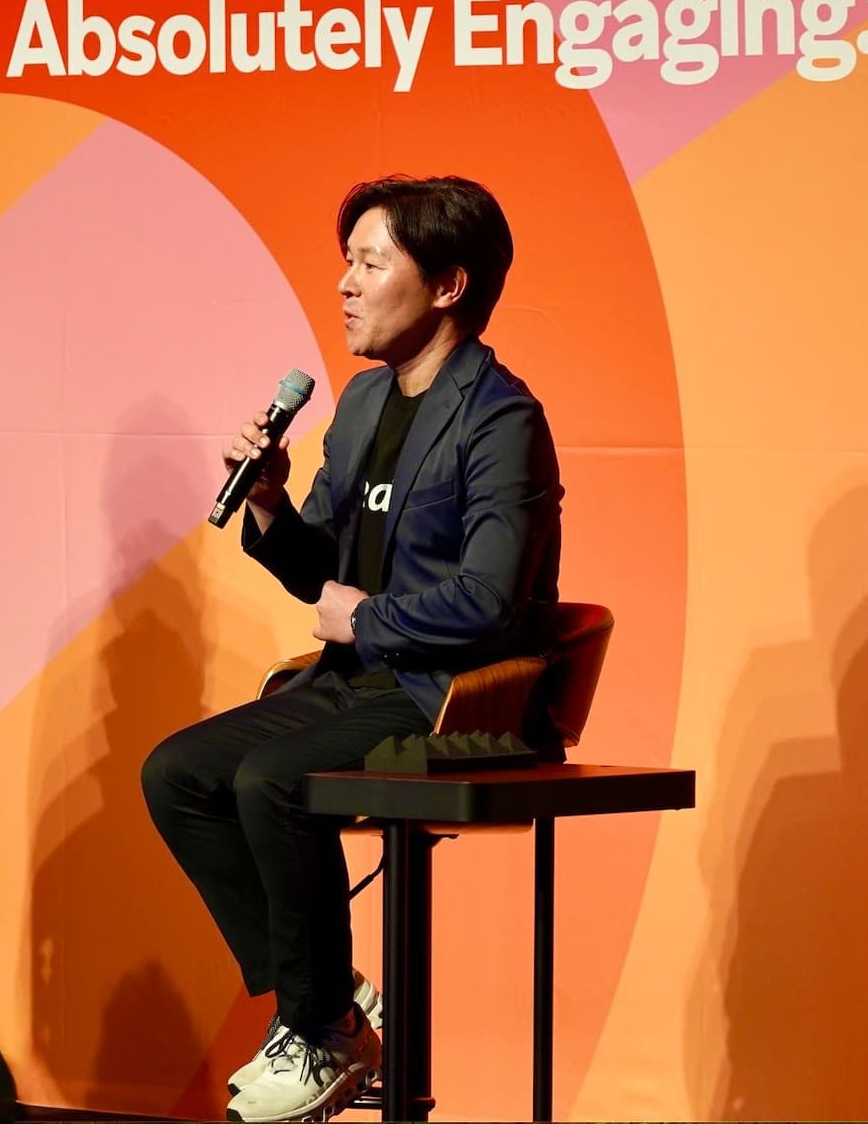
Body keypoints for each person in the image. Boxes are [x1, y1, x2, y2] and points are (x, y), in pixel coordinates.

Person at [142, 175, 561, 1123]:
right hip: (351, 682)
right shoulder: (365, 404)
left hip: (451, 700)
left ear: (448, 286)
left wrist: (366, 621)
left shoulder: (501, 420)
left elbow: (492, 597)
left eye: (372, 263)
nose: (346, 284)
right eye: (348, 263)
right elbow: (317, 570)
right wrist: (269, 504)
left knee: (271, 779)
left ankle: (320, 1029)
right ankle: (328, 1002)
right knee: (178, 773)